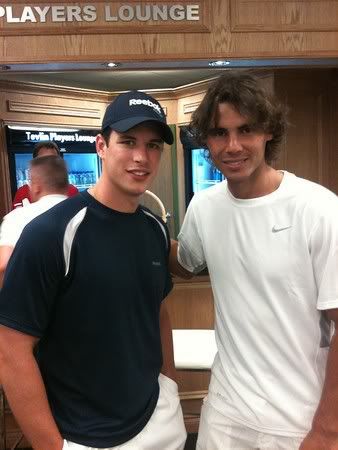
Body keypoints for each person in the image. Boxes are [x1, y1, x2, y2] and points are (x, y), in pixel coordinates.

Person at [0, 90, 186, 450]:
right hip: (85, 435)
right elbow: (11, 349)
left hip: (160, 418)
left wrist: (170, 385)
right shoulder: (51, 234)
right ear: (101, 145)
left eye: (152, 146)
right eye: (128, 141)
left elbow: (157, 311)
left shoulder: (154, 229)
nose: (140, 157)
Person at [170, 71, 338, 450]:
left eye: (245, 130)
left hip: (299, 420)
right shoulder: (205, 207)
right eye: (219, 133)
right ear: (206, 141)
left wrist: (327, 430)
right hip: (225, 416)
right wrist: (133, 224)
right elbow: (184, 261)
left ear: (268, 133)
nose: (232, 146)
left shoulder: (319, 209)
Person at [0, 155, 69, 287]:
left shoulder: (17, 218)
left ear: (36, 186)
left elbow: (3, 265)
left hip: (32, 303)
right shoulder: (85, 213)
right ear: (66, 184)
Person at [12, 140, 78, 208]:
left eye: (53, 159)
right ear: (35, 163)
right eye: (43, 160)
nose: (48, 164)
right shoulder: (22, 193)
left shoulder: (73, 191)